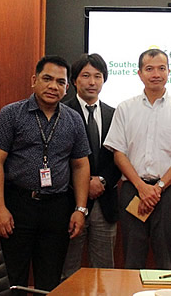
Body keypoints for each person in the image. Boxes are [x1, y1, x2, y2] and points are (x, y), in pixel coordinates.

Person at [0, 55, 90, 293]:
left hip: (57, 208)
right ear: (34, 80)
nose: (53, 86)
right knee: (13, 278)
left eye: (60, 82)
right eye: (47, 79)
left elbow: (81, 165)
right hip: (17, 205)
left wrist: (80, 209)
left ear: (67, 87)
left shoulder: (73, 119)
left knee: (50, 279)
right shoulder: (11, 114)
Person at [104, 48, 171, 270]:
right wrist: (141, 187)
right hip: (132, 191)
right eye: (149, 69)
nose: (155, 74)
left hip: (169, 193)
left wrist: (158, 187)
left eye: (161, 68)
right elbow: (118, 153)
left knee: (167, 260)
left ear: (169, 72)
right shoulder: (125, 108)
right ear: (139, 73)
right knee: (132, 259)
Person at [61, 53, 122, 279]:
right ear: (74, 80)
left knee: (105, 273)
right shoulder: (61, 112)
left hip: (105, 202)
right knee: (68, 269)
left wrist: (102, 181)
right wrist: (84, 183)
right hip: (70, 202)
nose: (92, 82)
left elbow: (120, 156)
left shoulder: (115, 114)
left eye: (98, 76)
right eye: (86, 76)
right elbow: (59, 157)